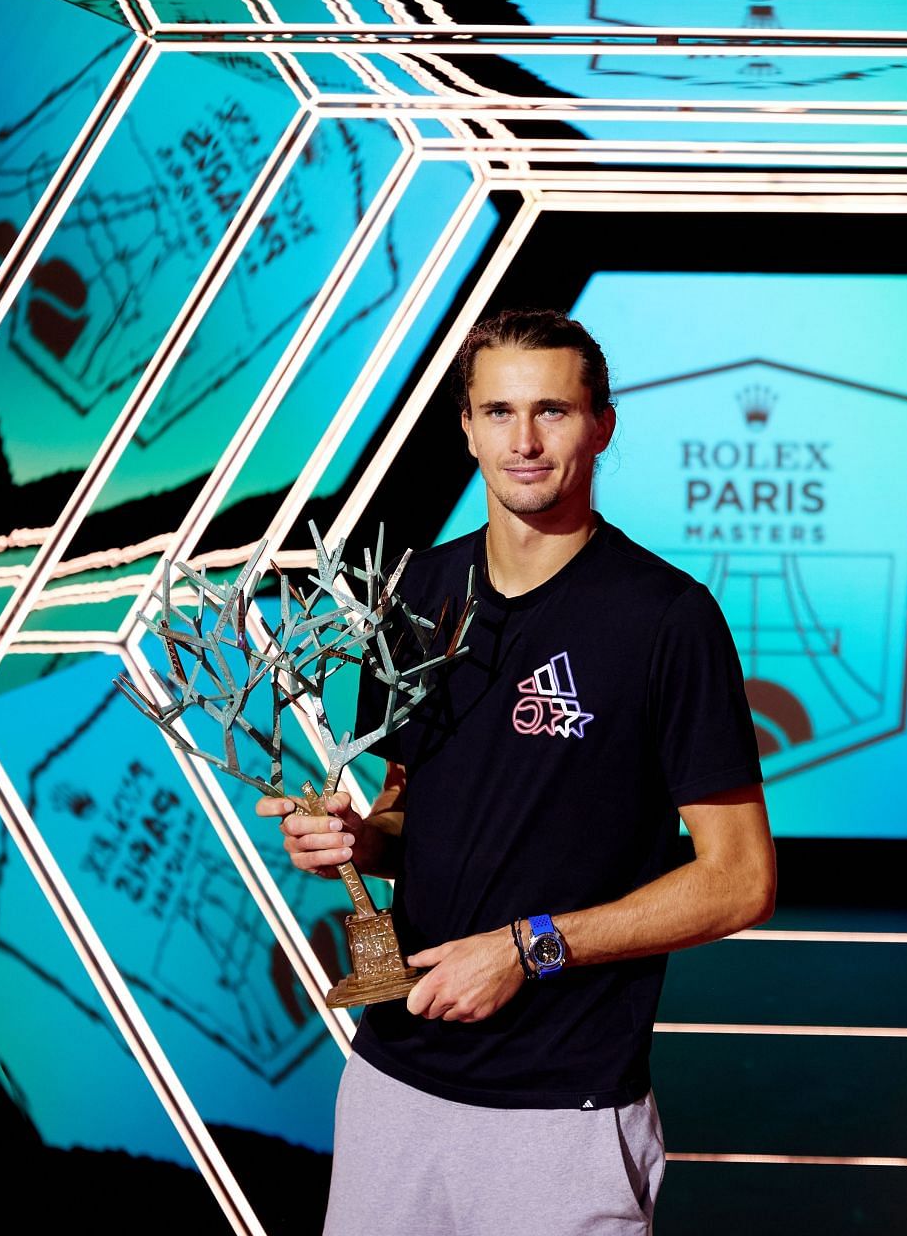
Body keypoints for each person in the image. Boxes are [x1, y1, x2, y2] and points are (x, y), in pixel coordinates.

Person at [256, 308, 777, 1234]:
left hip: (562, 1112)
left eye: (553, 412)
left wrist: (528, 947)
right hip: (392, 1084)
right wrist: (349, 838)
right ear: (465, 427)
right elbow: (410, 814)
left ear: (601, 424)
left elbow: (739, 883)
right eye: (498, 412)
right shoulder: (415, 592)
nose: (524, 441)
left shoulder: (666, 619)